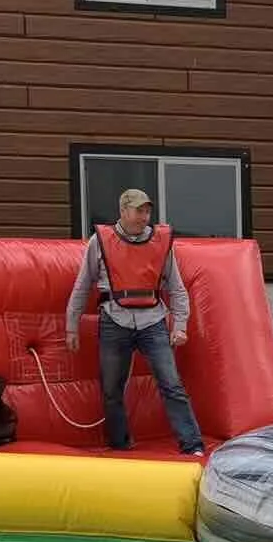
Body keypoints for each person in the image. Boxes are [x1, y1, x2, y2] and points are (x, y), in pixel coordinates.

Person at [63, 189, 204, 456]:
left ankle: (193, 445)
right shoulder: (100, 241)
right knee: (111, 388)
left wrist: (181, 324)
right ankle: (120, 445)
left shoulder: (161, 242)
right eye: (139, 211)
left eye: (147, 211)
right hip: (114, 319)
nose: (144, 216)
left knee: (171, 383)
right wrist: (72, 326)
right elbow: (82, 285)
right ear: (123, 211)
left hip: (153, 320)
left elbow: (176, 287)